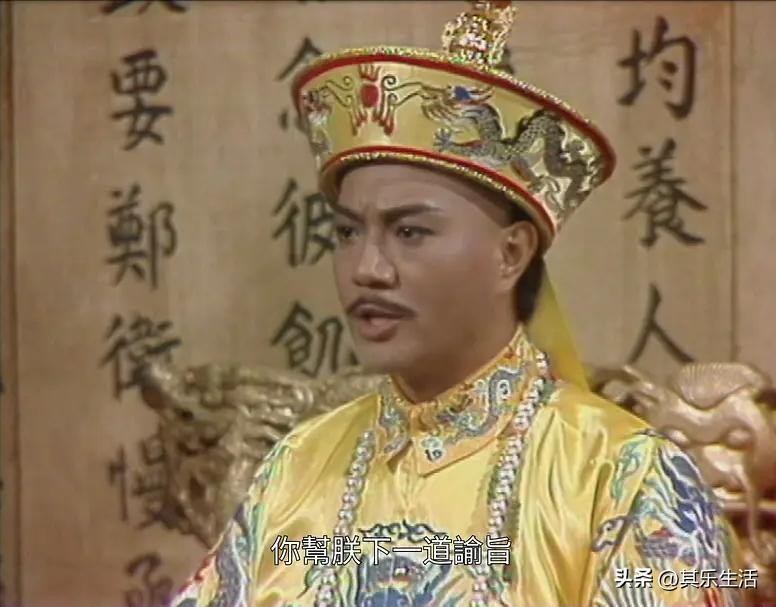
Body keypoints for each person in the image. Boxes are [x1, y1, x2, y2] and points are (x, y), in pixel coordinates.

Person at [170, 2, 743, 606]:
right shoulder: (296, 467)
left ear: (510, 254)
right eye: (347, 232)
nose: (367, 268)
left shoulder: (625, 477)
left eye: (410, 232)